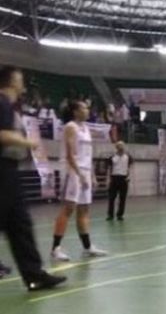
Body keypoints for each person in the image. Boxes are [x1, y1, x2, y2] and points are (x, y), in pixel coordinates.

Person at [0, 66, 66, 291]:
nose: (23, 82)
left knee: (20, 225)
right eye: (19, 78)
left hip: (10, 171)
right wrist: (29, 142)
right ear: (11, 81)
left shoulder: (10, 106)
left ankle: (34, 275)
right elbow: (2, 134)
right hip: (2, 170)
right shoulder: (1, 103)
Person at [51, 100, 108, 261]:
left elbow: (87, 155)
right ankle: (55, 249)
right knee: (68, 209)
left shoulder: (86, 129)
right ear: (75, 111)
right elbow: (70, 155)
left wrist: (92, 175)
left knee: (84, 209)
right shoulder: (70, 127)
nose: (87, 110)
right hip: (73, 171)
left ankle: (87, 247)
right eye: (84, 107)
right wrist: (79, 174)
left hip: (85, 171)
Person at [106, 141, 133, 221]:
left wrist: (129, 176)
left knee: (122, 198)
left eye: (122, 147)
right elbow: (109, 169)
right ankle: (110, 215)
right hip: (114, 178)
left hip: (124, 178)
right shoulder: (112, 157)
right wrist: (108, 179)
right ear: (117, 148)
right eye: (119, 147)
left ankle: (120, 215)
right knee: (111, 198)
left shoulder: (128, 157)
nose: (121, 149)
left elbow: (130, 167)